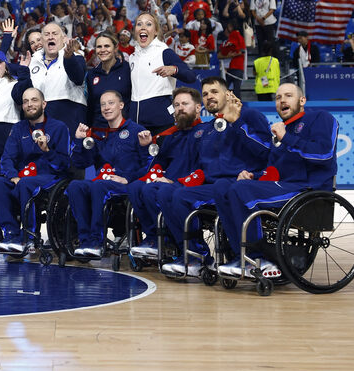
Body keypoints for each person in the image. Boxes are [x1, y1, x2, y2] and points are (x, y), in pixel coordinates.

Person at [217, 83, 337, 279]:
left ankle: (257, 257)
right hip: (284, 186)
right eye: (278, 97)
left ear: (302, 100)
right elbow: (273, 171)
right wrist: (254, 176)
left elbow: (324, 154)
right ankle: (239, 254)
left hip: (308, 189)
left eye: (288, 95)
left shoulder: (321, 118)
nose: (282, 100)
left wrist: (287, 138)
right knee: (223, 188)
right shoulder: (281, 131)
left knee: (242, 190)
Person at [161, 78, 271, 276]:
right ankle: (196, 256)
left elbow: (265, 151)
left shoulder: (250, 116)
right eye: (205, 94)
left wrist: (237, 122)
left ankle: (249, 257)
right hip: (213, 186)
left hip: (241, 185)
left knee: (221, 187)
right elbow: (200, 165)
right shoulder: (209, 128)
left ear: (228, 94)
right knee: (173, 193)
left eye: (214, 91)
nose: (209, 97)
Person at [67, 91, 150, 258]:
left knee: (98, 185)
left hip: (127, 185)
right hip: (103, 183)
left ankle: (97, 241)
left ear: (121, 105)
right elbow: (81, 163)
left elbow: (149, 165)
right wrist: (78, 140)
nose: (106, 108)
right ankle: (85, 241)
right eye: (103, 104)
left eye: (110, 103)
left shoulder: (137, 131)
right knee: (75, 185)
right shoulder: (100, 135)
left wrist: (128, 178)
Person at [0, 88, 71, 252]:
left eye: (34, 100)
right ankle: (11, 232)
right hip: (21, 178)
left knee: (26, 184)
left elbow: (64, 164)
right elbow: (7, 158)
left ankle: (29, 235)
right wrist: (12, 176)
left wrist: (47, 151)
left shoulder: (58, 127)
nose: (29, 104)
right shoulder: (18, 128)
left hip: (50, 177)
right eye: (25, 101)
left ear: (44, 104)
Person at [127, 87, 204, 259]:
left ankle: (169, 240)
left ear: (198, 108)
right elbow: (157, 165)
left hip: (188, 185)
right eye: (176, 105)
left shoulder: (206, 132)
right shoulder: (169, 136)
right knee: (135, 187)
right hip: (166, 184)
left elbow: (205, 168)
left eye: (185, 104)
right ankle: (155, 238)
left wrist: (177, 183)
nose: (180, 108)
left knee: (153, 190)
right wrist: (151, 175)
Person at [126, 12, 198, 133]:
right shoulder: (133, 57)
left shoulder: (164, 52)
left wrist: (174, 69)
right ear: (135, 31)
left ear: (155, 31)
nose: (143, 27)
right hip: (136, 124)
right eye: (139, 24)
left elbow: (191, 76)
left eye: (148, 24)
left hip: (160, 122)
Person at [24, 23, 87, 137]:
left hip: (70, 114)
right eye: (47, 34)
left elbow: (78, 78)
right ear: (42, 41)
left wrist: (69, 59)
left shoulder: (76, 57)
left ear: (63, 39)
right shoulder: (31, 62)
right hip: (41, 118)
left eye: (55, 33)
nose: (50, 37)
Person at [85, 31, 131, 127]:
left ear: (115, 48)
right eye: (99, 47)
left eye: (107, 46)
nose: (103, 50)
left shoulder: (127, 69)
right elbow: (91, 106)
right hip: (98, 130)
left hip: (124, 129)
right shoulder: (91, 74)